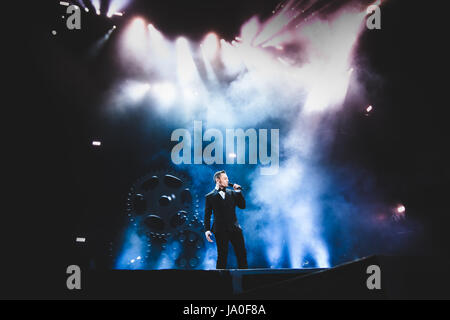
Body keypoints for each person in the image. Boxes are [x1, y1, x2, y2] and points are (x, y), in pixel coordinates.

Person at [204, 170, 248, 269]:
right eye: (225, 178)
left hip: (235, 228)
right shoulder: (210, 196)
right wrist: (207, 230)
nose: (227, 180)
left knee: (242, 254)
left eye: (227, 178)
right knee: (222, 256)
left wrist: (238, 192)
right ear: (218, 180)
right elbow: (207, 215)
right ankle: (220, 282)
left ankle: (245, 279)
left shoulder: (232, 193)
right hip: (220, 229)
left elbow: (242, 206)